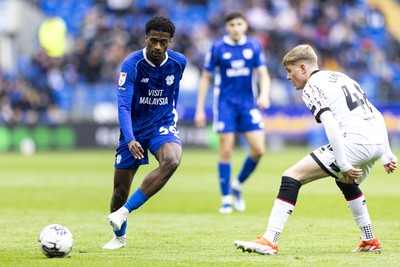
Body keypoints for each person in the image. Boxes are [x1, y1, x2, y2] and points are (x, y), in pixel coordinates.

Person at [234, 44, 397, 255]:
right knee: (346, 181)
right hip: (374, 141)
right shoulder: (341, 77)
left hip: (355, 141)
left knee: (291, 176)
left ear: (303, 68)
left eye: (289, 70)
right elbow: (375, 112)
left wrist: (344, 162)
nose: (288, 77)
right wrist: (386, 151)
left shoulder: (312, 86)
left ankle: (269, 240)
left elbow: (330, 123)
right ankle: (369, 239)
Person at [102, 16, 186, 250]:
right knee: (119, 192)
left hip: (161, 124)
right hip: (134, 129)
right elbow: (123, 105)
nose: (158, 47)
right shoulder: (132, 64)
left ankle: (125, 212)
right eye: (154, 41)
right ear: (146, 38)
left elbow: (173, 92)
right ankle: (119, 237)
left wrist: (169, 116)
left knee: (172, 160)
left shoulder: (179, 62)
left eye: (164, 42)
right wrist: (129, 138)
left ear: (170, 42)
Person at [194, 11, 271, 214]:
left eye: (239, 24)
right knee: (226, 150)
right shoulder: (217, 47)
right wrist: (200, 108)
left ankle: (237, 184)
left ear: (245, 25)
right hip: (225, 105)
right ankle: (226, 198)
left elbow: (263, 74)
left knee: (258, 150)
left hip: (248, 105)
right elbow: (205, 78)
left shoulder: (254, 46)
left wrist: (264, 95)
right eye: (232, 25)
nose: (236, 28)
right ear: (227, 28)